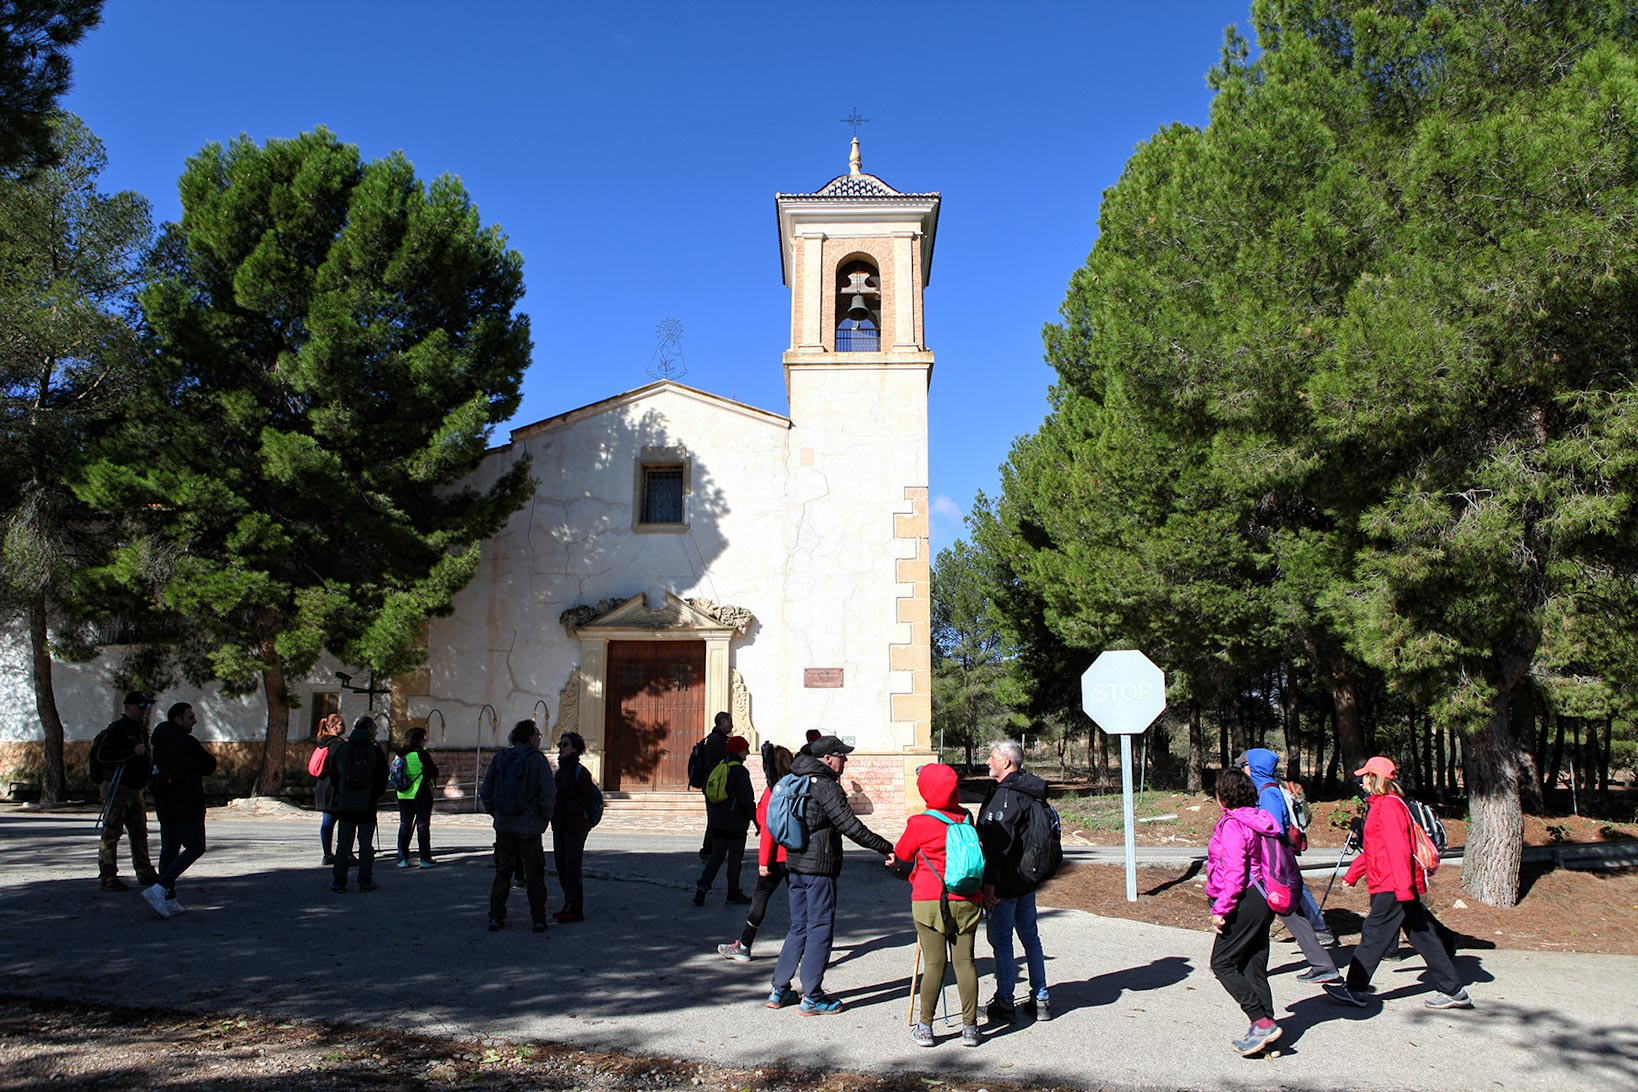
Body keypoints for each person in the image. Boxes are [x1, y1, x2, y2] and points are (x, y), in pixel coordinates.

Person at [1327, 756, 1472, 1010]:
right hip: (1394, 883)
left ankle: (1355, 989)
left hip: (1393, 885)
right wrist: (1353, 874)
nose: (1362, 781)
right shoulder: (1383, 804)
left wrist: (1403, 889)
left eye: (1365, 776)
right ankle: (1454, 991)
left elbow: (1398, 850)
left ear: (1375, 778)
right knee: (1423, 936)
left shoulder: (1389, 807)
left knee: (1373, 934)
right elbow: (1374, 849)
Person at [767, 735, 894, 1016]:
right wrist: (886, 847)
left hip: (795, 863)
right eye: (842, 756)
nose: (845, 761)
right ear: (827, 759)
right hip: (819, 867)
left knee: (798, 926)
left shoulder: (793, 779)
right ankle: (812, 996)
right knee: (820, 929)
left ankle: (779, 988)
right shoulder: (826, 787)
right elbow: (851, 827)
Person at [897, 763, 984, 1048]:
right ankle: (970, 1029)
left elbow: (902, 853)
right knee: (965, 962)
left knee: (935, 963)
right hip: (967, 898)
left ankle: (926, 1027)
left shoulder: (919, 823)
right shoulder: (966, 818)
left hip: (928, 900)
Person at [1241, 748, 1340, 982]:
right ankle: (1321, 962)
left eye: (1247, 765)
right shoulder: (1267, 789)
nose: (1244, 769)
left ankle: (1235, 961)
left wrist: (1243, 819)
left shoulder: (1267, 793)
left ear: (1256, 768)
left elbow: (1272, 828)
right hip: (1275, 862)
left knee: (1271, 909)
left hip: (1272, 862)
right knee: (1288, 912)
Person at [1205, 766, 1284, 1056]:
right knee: (1253, 965)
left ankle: (1260, 1021)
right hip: (1265, 897)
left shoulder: (1234, 825)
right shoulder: (1261, 819)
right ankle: (1269, 1036)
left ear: (1222, 797)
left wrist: (1221, 909)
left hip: (1245, 899)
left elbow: (1235, 873)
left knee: (1222, 963)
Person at [975, 739, 1052, 1023]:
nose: (988, 762)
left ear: (1006, 762)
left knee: (1002, 942)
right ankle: (1040, 998)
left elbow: (998, 847)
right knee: (1031, 938)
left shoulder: (1007, 796)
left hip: (1006, 883)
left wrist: (989, 885)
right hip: (1027, 879)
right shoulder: (1030, 790)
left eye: (992, 757)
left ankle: (1005, 1002)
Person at [717, 743, 794, 962]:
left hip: (775, 858)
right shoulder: (796, 787)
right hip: (795, 856)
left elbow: (768, 829)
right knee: (800, 904)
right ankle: (807, 944)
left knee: (760, 899)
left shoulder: (774, 791)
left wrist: (763, 862)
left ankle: (744, 945)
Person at [142, 702, 217, 919]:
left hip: (164, 803)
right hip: (187, 803)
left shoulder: (159, 742)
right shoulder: (186, 742)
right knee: (196, 847)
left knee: (170, 849)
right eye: (190, 717)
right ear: (178, 719)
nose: (194, 721)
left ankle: (168, 897)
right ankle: (160, 887)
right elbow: (209, 764)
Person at [481, 719, 555, 932]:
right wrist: (542, 820)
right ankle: (539, 918)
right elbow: (548, 794)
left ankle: (495, 916)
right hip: (529, 828)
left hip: (504, 826)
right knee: (535, 874)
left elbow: (486, 790)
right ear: (530, 737)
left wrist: (497, 814)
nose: (539, 738)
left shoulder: (501, 757)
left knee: (502, 872)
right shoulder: (537, 760)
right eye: (538, 734)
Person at [95, 692, 159, 892]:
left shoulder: (140, 730)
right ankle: (107, 875)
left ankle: (144, 869)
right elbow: (103, 756)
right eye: (140, 705)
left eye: (146, 706)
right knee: (112, 830)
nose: (144, 710)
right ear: (128, 707)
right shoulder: (117, 729)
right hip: (118, 785)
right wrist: (131, 753)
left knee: (139, 830)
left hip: (135, 788)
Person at [327, 716, 387, 894]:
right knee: (366, 844)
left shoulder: (342, 748)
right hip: (367, 804)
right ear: (370, 730)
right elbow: (383, 778)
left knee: (343, 844)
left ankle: (339, 881)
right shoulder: (375, 751)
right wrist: (374, 795)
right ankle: (365, 880)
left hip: (346, 803)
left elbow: (333, 775)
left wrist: (342, 792)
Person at [694, 734, 756, 907]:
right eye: (745, 750)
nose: (747, 753)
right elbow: (747, 800)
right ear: (739, 751)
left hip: (718, 822)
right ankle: (733, 893)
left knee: (715, 858)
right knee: (735, 862)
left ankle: (702, 887)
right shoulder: (740, 772)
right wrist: (756, 821)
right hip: (736, 824)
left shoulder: (720, 767)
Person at [552, 729, 595, 923]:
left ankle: (575, 908)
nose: (561, 748)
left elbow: (588, 798)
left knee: (572, 867)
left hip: (576, 826)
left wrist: (570, 807)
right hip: (560, 824)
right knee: (561, 866)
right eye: (560, 744)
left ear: (575, 749)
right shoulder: (560, 772)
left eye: (565, 744)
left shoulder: (581, 772)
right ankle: (568, 904)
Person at [394, 726, 440, 869]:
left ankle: (402, 858)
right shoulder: (421, 754)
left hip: (403, 793)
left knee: (404, 825)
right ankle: (425, 858)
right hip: (420, 792)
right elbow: (433, 771)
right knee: (422, 825)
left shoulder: (400, 755)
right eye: (424, 738)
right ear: (419, 740)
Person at [691, 711, 734, 859]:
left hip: (712, 784)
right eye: (730, 722)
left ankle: (714, 850)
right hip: (715, 785)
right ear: (723, 722)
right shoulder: (718, 740)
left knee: (717, 817)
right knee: (716, 818)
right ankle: (708, 850)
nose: (732, 725)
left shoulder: (712, 739)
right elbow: (725, 760)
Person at [311, 713, 346, 866]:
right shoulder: (338, 745)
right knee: (344, 822)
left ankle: (327, 853)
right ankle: (344, 852)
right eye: (341, 724)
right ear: (332, 726)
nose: (344, 726)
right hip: (336, 788)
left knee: (327, 821)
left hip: (323, 786)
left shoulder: (322, 743)